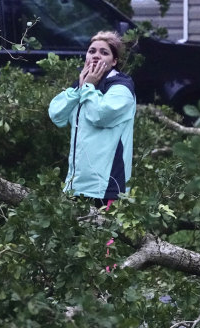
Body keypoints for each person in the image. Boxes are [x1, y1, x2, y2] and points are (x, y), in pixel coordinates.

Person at [48, 31, 136, 210]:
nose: (96, 55)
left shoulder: (121, 88)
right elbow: (56, 115)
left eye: (104, 52)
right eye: (92, 51)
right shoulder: (82, 86)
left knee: (106, 238)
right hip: (77, 184)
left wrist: (88, 87)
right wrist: (80, 89)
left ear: (114, 61)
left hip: (108, 187)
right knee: (75, 237)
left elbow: (99, 116)